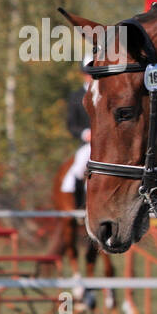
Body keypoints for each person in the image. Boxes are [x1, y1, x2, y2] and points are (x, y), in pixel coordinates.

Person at [61, 70, 92, 210]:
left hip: (108, 142)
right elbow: (71, 125)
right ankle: (79, 206)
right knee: (79, 169)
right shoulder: (76, 97)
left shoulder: (107, 92)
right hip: (88, 144)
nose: (91, 76)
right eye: (88, 73)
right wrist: (85, 133)